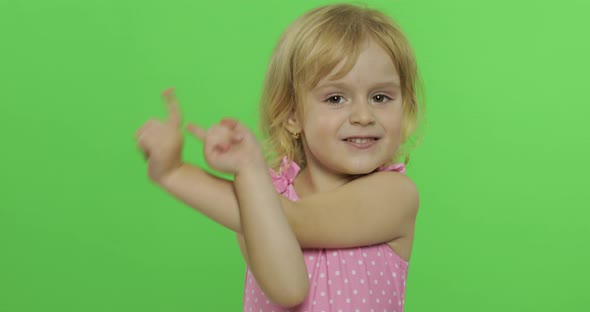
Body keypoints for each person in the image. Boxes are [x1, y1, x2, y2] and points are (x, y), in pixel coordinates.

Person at [135, 3, 424, 311]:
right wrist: (170, 171)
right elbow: (288, 287)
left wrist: (193, 174)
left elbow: (294, 220)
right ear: (291, 115)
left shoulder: (394, 195)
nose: (364, 116)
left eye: (381, 97)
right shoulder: (263, 194)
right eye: (336, 98)